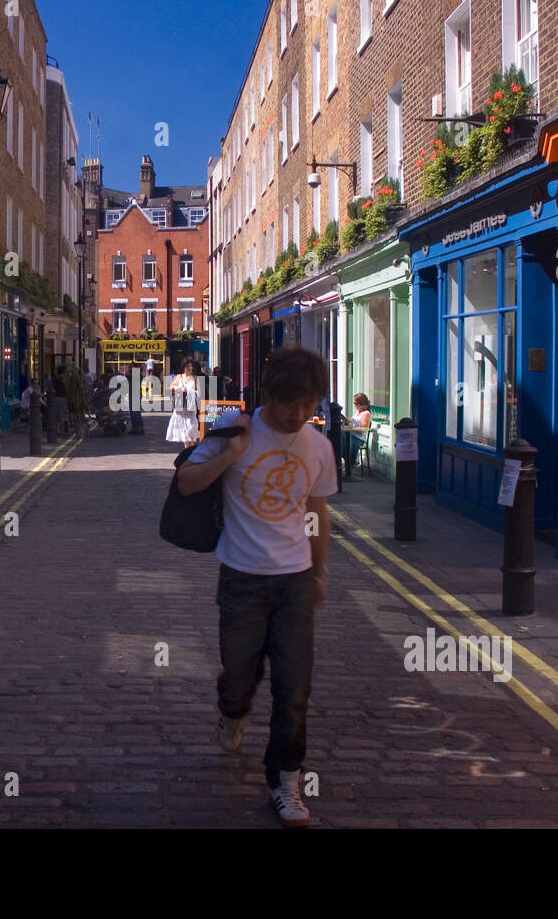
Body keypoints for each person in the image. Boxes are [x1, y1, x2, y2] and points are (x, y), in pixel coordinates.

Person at [178, 348, 337, 828]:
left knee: (294, 687)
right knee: (239, 675)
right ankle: (232, 712)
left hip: (293, 581)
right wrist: (230, 454)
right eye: (290, 403)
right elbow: (186, 483)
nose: (298, 414)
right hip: (241, 578)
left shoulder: (318, 446)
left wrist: (319, 571)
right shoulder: (235, 427)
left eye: (308, 403)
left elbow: (317, 512)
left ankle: (286, 779)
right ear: (269, 395)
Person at [165, 359, 200, 449]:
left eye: (191, 366)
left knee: (191, 425)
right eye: (188, 366)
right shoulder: (179, 377)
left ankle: (191, 445)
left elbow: (199, 391)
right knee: (183, 426)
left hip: (191, 405)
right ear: (184, 367)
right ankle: (187, 448)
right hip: (180, 405)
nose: (190, 368)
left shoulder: (195, 378)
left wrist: (189, 391)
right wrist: (178, 388)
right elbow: (171, 386)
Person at [345, 393, 373, 468]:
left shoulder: (366, 414)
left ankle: (351, 462)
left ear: (361, 403)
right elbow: (353, 421)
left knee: (344, 442)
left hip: (358, 438)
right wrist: (345, 419)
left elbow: (363, 429)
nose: (355, 406)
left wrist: (351, 428)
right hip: (352, 436)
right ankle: (347, 461)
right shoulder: (358, 412)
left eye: (356, 404)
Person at [52, 364, 70, 435]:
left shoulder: (55, 379)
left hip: (56, 398)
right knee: (63, 415)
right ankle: (62, 431)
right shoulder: (63, 379)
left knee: (57, 415)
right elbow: (66, 389)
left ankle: (58, 430)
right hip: (62, 398)